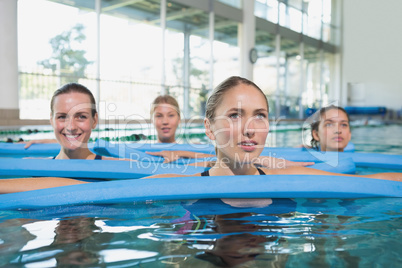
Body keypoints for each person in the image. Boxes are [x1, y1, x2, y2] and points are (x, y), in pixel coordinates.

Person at [145, 76, 401, 181]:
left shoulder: (289, 175)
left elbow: (359, 181)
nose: (250, 129)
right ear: (209, 129)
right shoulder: (172, 182)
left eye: (260, 116)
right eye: (235, 115)